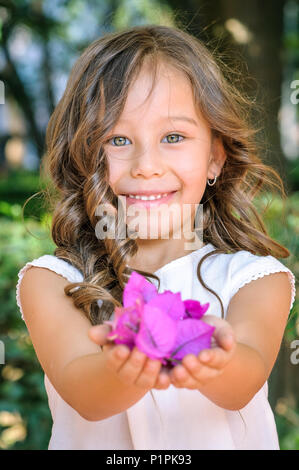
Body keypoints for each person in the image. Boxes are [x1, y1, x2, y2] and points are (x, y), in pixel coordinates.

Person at [16, 24, 296, 450]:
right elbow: (85, 391)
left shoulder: (256, 279)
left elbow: (245, 377)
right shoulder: (53, 281)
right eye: (118, 139)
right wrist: (137, 354)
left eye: (173, 137)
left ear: (215, 158)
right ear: (81, 156)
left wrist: (211, 354)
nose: (147, 165)